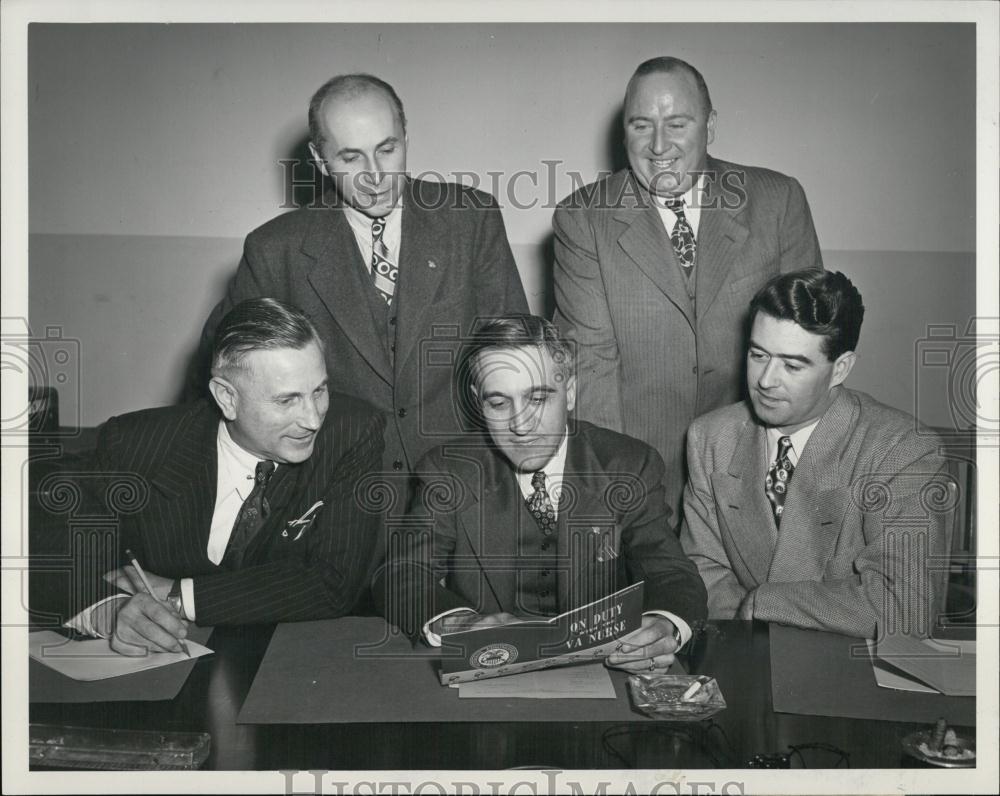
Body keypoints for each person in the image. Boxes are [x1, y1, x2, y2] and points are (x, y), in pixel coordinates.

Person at [194, 73, 528, 478]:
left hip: (465, 477)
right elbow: (222, 367)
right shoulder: (274, 250)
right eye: (351, 158)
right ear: (320, 160)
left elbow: (515, 357)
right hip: (337, 485)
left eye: (388, 149)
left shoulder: (472, 219)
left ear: (406, 137)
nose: (376, 176)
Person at [552, 56, 824, 521]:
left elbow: (808, 349)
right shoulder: (583, 220)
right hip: (641, 472)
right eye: (641, 125)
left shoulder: (777, 201)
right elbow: (591, 368)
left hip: (757, 467)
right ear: (623, 132)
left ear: (710, 124)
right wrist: (619, 496)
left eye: (677, 123)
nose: (659, 145)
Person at [34, 299, 386, 656]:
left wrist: (179, 595)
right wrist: (109, 611)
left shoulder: (350, 434)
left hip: (294, 667)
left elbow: (333, 583)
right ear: (226, 397)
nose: (313, 418)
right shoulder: (137, 443)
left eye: (319, 391)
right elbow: (41, 542)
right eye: (287, 401)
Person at [377, 315, 707, 674]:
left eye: (537, 398)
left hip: (603, 673)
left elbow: (671, 574)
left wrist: (664, 623)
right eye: (499, 404)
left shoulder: (627, 465)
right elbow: (400, 575)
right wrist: (459, 625)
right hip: (490, 676)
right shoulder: (448, 472)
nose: (520, 425)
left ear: (570, 393)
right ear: (478, 403)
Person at [679, 271, 950, 638]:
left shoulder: (902, 449)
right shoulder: (711, 436)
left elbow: (904, 607)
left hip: (851, 673)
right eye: (758, 355)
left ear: (841, 368)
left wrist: (763, 603)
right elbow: (701, 572)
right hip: (743, 656)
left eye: (792, 365)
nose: (765, 380)